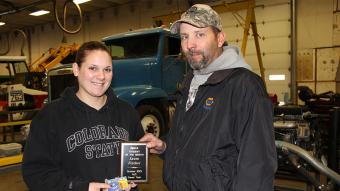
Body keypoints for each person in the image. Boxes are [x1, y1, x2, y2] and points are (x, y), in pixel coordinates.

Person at [140, 4, 277, 191]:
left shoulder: (245, 86)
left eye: (200, 34)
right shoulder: (190, 83)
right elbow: (191, 143)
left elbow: (257, 167)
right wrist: (165, 146)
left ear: (220, 39)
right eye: (185, 37)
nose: (190, 44)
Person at [22, 41, 144, 191]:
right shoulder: (50, 117)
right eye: (93, 68)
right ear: (76, 69)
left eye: (107, 69)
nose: (101, 76)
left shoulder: (127, 112)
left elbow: (135, 162)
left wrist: (133, 179)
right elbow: (35, 172)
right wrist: (79, 187)